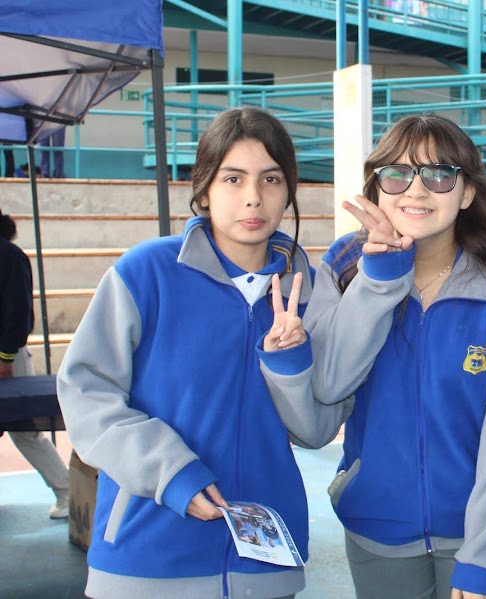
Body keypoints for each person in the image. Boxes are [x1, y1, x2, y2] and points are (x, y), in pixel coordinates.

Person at [56, 107, 348, 599]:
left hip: (265, 567)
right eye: (233, 179)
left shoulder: (310, 293)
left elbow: (316, 430)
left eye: (271, 179)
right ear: (204, 189)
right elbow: (85, 393)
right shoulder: (146, 273)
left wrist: (288, 363)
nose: (253, 197)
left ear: (289, 191)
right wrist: (170, 473)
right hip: (145, 558)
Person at [303, 114, 486, 599]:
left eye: (439, 174)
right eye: (397, 173)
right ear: (377, 187)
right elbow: (329, 384)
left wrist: (484, 558)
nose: (416, 190)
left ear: (468, 192)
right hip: (376, 527)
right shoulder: (345, 264)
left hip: (478, 535)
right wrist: (380, 276)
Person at [0, 212, 70, 519]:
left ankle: (67, 490)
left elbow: (18, 311)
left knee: (24, 430)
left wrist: (5, 355)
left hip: (6, 355)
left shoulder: (9, 256)